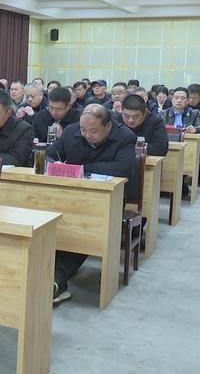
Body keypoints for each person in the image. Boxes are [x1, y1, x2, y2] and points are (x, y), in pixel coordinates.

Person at [47, 104, 136, 305]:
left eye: (93, 131)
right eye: (83, 130)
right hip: (70, 196)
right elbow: (52, 154)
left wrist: (81, 169)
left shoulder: (125, 137)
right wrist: (56, 164)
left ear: (108, 126)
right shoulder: (71, 132)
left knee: (84, 227)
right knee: (56, 224)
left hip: (107, 200)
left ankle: (56, 278)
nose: (87, 135)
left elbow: (123, 169)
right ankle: (50, 277)